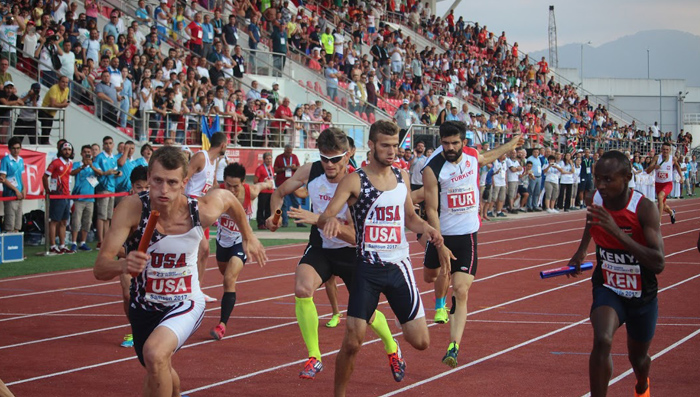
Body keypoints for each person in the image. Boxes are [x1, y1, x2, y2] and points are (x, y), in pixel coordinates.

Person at [94, 146, 266, 397]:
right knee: (158, 365)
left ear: (184, 183)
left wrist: (248, 236)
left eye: (172, 183)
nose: (164, 190)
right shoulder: (132, 209)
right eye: (157, 181)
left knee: (155, 354)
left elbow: (229, 199)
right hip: (144, 305)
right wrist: (123, 264)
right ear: (149, 178)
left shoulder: (200, 211)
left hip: (185, 302)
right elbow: (100, 268)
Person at [317, 121, 445, 396]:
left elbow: (410, 218)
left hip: (399, 267)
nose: (392, 151)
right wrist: (328, 222)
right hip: (367, 268)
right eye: (385, 145)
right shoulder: (354, 180)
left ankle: (399, 318)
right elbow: (328, 213)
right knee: (353, 341)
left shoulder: (401, 177)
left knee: (421, 341)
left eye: (395, 145)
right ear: (372, 146)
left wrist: (429, 229)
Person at [266, 127, 399, 381]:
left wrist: (319, 219)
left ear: (348, 155)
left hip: (351, 253)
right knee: (303, 288)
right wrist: (276, 217)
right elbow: (279, 193)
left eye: (335, 159)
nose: (329, 164)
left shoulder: (358, 184)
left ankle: (392, 347)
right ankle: (315, 356)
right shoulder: (310, 171)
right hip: (321, 248)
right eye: (324, 158)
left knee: (368, 315)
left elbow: (356, 236)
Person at [422, 121, 522, 365]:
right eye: (445, 143)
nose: (450, 147)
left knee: (461, 289)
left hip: (467, 235)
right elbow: (432, 209)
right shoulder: (432, 168)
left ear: (463, 142)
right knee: (430, 277)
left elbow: (489, 156)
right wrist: (438, 242)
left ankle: (453, 346)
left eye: (455, 143)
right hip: (442, 234)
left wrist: (511, 144)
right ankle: (439, 302)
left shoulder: (472, 156)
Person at [567, 151, 664, 397]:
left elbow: (658, 262)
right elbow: (592, 220)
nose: (601, 184)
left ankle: (642, 384)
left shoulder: (644, 209)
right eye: (598, 178)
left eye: (608, 179)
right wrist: (581, 250)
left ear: (627, 178)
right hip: (608, 285)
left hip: (642, 292)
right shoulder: (594, 198)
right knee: (602, 339)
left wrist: (617, 232)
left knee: (638, 359)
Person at [210, 163, 274, 340]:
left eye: (235, 186)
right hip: (222, 243)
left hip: (241, 242)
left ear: (243, 182)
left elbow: (261, 186)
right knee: (225, 276)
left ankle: (222, 325)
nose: (231, 190)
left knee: (229, 279)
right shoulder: (217, 192)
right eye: (228, 185)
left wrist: (268, 184)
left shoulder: (249, 191)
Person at [184, 131, 228, 303]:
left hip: (203, 207)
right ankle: (192, 289)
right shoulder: (200, 157)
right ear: (223, 145)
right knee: (202, 249)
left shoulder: (214, 161)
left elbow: (213, 186)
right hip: (191, 205)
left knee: (204, 251)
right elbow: (184, 178)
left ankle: (197, 288)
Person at [117, 165, 149, 348]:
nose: (143, 191)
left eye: (146, 187)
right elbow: (114, 247)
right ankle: (134, 330)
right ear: (131, 187)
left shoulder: (158, 206)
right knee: (128, 295)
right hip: (129, 259)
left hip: (154, 261)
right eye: (139, 187)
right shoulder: (125, 208)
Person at [69, 144, 103, 252]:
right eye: (85, 152)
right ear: (81, 153)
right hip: (78, 198)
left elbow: (101, 173)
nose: (87, 154)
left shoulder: (95, 164)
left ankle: (83, 242)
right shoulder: (76, 164)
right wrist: (83, 166)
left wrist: (91, 166)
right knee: (76, 221)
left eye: (89, 152)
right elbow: (71, 173)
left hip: (90, 199)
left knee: (87, 222)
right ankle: (74, 242)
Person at [43, 141, 75, 254]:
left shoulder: (70, 163)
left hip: (67, 194)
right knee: (54, 220)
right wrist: (48, 190)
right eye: (65, 149)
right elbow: (45, 176)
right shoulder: (56, 162)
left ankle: (62, 245)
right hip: (58, 194)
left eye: (69, 150)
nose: (67, 152)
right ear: (61, 151)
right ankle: (52, 245)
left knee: (63, 221)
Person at [93, 136, 121, 249]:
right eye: (106, 143)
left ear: (113, 145)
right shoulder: (99, 157)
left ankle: (106, 238)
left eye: (110, 143)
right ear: (103, 145)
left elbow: (114, 170)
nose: (108, 145)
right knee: (101, 215)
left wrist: (117, 173)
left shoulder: (113, 157)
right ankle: (100, 240)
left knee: (109, 216)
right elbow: (97, 171)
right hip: (103, 187)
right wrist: (105, 173)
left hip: (112, 188)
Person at [645, 142, 681, 224]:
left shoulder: (673, 159)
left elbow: (678, 167)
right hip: (658, 184)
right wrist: (654, 167)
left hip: (667, 183)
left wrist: (681, 177)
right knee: (663, 205)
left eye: (667, 150)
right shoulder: (657, 158)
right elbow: (648, 171)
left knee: (660, 197)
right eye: (664, 149)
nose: (665, 151)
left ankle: (658, 221)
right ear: (661, 149)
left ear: (670, 150)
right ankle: (671, 212)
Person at [273, 145, 302, 227]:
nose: (289, 153)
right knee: (284, 204)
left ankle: (299, 222)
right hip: (281, 183)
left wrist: (293, 167)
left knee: (296, 202)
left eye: (290, 152)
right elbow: (275, 169)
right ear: (284, 150)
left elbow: (299, 168)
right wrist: (284, 168)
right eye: (287, 152)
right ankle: (285, 222)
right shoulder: (279, 158)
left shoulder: (294, 157)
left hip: (292, 183)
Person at [0, 137, 25, 232]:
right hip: (10, 195)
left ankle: (16, 245)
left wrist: (24, 188)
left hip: (19, 195)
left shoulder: (21, 160)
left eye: (18, 148)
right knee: (10, 222)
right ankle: (9, 245)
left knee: (18, 224)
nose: (16, 150)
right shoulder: (5, 160)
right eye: (14, 148)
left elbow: (21, 177)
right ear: (10, 149)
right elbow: (2, 178)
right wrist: (16, 190)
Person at [39, 75, 70, 144]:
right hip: (44, 110)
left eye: (66, 82)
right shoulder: (54, 88)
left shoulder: (67, 89)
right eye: (63, 82)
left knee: (48, 130)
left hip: (51, 113)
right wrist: (62, 105)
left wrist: (58, 104)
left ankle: (44, 143)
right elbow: (53, 104)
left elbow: (64, 102)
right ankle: (43, 143)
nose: (64, 84)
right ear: (58, 82)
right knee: (45, 131)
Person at [254, 152, 274, 229]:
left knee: (269, 208)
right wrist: (263, 184)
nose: (269, 160)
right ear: (263, 160)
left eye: (270, 158)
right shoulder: (260, 168)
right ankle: (260, 223)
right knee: (261, 208)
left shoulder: (271, 168)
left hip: (271, 191)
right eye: (267, 159)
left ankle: (267, 223)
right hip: (263, 191)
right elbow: (255, 181)